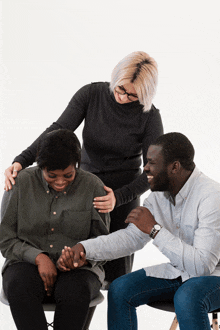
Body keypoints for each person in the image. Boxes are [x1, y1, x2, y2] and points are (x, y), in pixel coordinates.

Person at [3, 51, 163, 283]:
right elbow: (57, 130)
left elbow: (153, 170)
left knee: (117, 280)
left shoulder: (150, 116)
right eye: (120, 89)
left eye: (132, 95)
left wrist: (118, 198)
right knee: (77, 270)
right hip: (83, 190)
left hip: (122, 196)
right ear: (115, 78)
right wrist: (21, 160)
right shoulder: (92, 94)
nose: (123, 97)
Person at [58, 132, 220, 330]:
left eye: (152, 163)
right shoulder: (158, 196)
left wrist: (154, 230)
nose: (145, 168)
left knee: (187, 296)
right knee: (120, 289)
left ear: (174, 167)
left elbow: (202, 267)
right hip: (180, 271)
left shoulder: (211, 196)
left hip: (214, 277)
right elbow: (130, 238)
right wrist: (85, 248)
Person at [0, 129, 110, 330]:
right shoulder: (20, 183)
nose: (60, 182)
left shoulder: (93, 186)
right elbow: (6, 240)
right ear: (40, 166)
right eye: (52, 175)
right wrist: (38, 257)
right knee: (20, 287)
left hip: (80, 271)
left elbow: (103, 244)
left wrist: (81, 255)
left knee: (74, 292)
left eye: (68, 175)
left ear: (77, 164)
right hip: (25, 264)